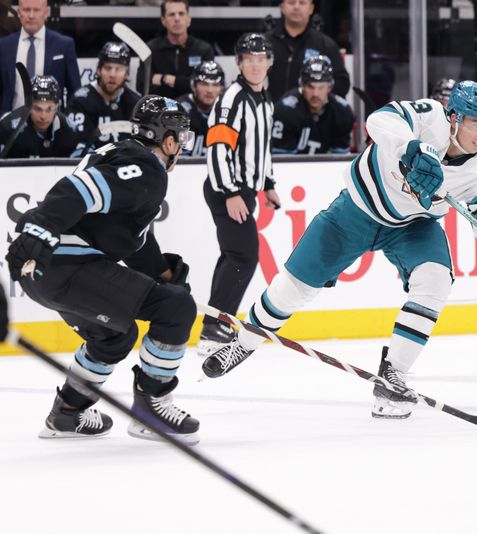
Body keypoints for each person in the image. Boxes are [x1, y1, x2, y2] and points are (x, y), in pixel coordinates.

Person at [201, 81, 477, 421]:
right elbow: (380, 119)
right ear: (454, 117)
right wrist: (411, 148)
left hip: (414, 226)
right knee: (291, 290)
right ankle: (242, 343)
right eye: (475, 124)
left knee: (436, 280)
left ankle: (392, 376)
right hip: (355, 213)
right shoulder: (429, 118)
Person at [5, 95, 200, 443]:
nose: (182, 147)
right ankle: (150, 408)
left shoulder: (119, 153)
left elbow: (133, 242)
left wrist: (163, 274)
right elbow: (78, 189)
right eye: (181, 139)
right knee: (176, 308)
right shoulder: (147, 168)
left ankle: (68, 413)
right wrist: (41, 227)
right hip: (67, 266)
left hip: (46, 271)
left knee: (114, 335)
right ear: (168, 140)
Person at [198, 33, 281, 357]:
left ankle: (216, 321)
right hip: (225, 189)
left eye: (261, 59)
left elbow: (262, 149)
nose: (256, 65)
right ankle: (215, 326)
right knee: (245, 255)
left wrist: (269, 183)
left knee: (234, 255)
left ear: (269, 62)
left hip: (243, 190)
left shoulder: (265, 100)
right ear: (239, 63)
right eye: (250, 59)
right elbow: (217, 148)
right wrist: (230, 192)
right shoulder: (232, 99)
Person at [0, 0, 81, 113]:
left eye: (36, 10)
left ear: (46, 13)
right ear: (19, 12)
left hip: (51, 125)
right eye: (27, 10)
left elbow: (75, 92)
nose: (31, 15)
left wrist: (65, 123)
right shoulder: (4, 46)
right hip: (11, 124)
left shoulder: (64, 45)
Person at [266, 0, 350, 103]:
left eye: (302, 3)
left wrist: (317, 101)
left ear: (311, 8)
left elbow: (342, 83)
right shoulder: (266, 44)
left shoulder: (325, 45)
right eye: (291, 2)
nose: (296, 7)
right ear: (282, 7)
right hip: (269, 114)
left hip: (311, 117)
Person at [272, 55, 354, 155]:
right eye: (310, 87)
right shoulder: (285, 112)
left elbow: (338, 160)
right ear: (301, 85)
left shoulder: (342, 113)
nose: (315, 93)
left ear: (330, 87)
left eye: (321, 87)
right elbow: (282, 162)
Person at [67, 41, 142, 148]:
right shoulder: (80, 102)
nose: (112, 75)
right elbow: (77, 149)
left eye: (119, 69)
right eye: (108, 68)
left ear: (127, 74)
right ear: (98, 70)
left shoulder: (136, 104)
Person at [136, 0, 214, 100]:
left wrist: (164, 79)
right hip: (159, 110)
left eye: (181, 14)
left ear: (188, 19)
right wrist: (186, 84)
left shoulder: (203, 49)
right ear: (163, 20)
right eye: (172, 14)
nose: (177, 18)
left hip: (194, 110)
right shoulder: (150, 49)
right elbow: (142, 85)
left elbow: (206, 87)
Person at [0, 75, 84, 158]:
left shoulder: (70, 131)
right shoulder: (8, 128)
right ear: (28, 106)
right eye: (37, 109)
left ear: (57, 108)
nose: (43, 116)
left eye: (49, 109)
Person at [178, 60, 225, 157]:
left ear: (221, 89)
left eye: (215, 85)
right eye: (204, 84)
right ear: (193, 86)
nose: (209, 90)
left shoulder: (227, 110)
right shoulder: (181, 110)